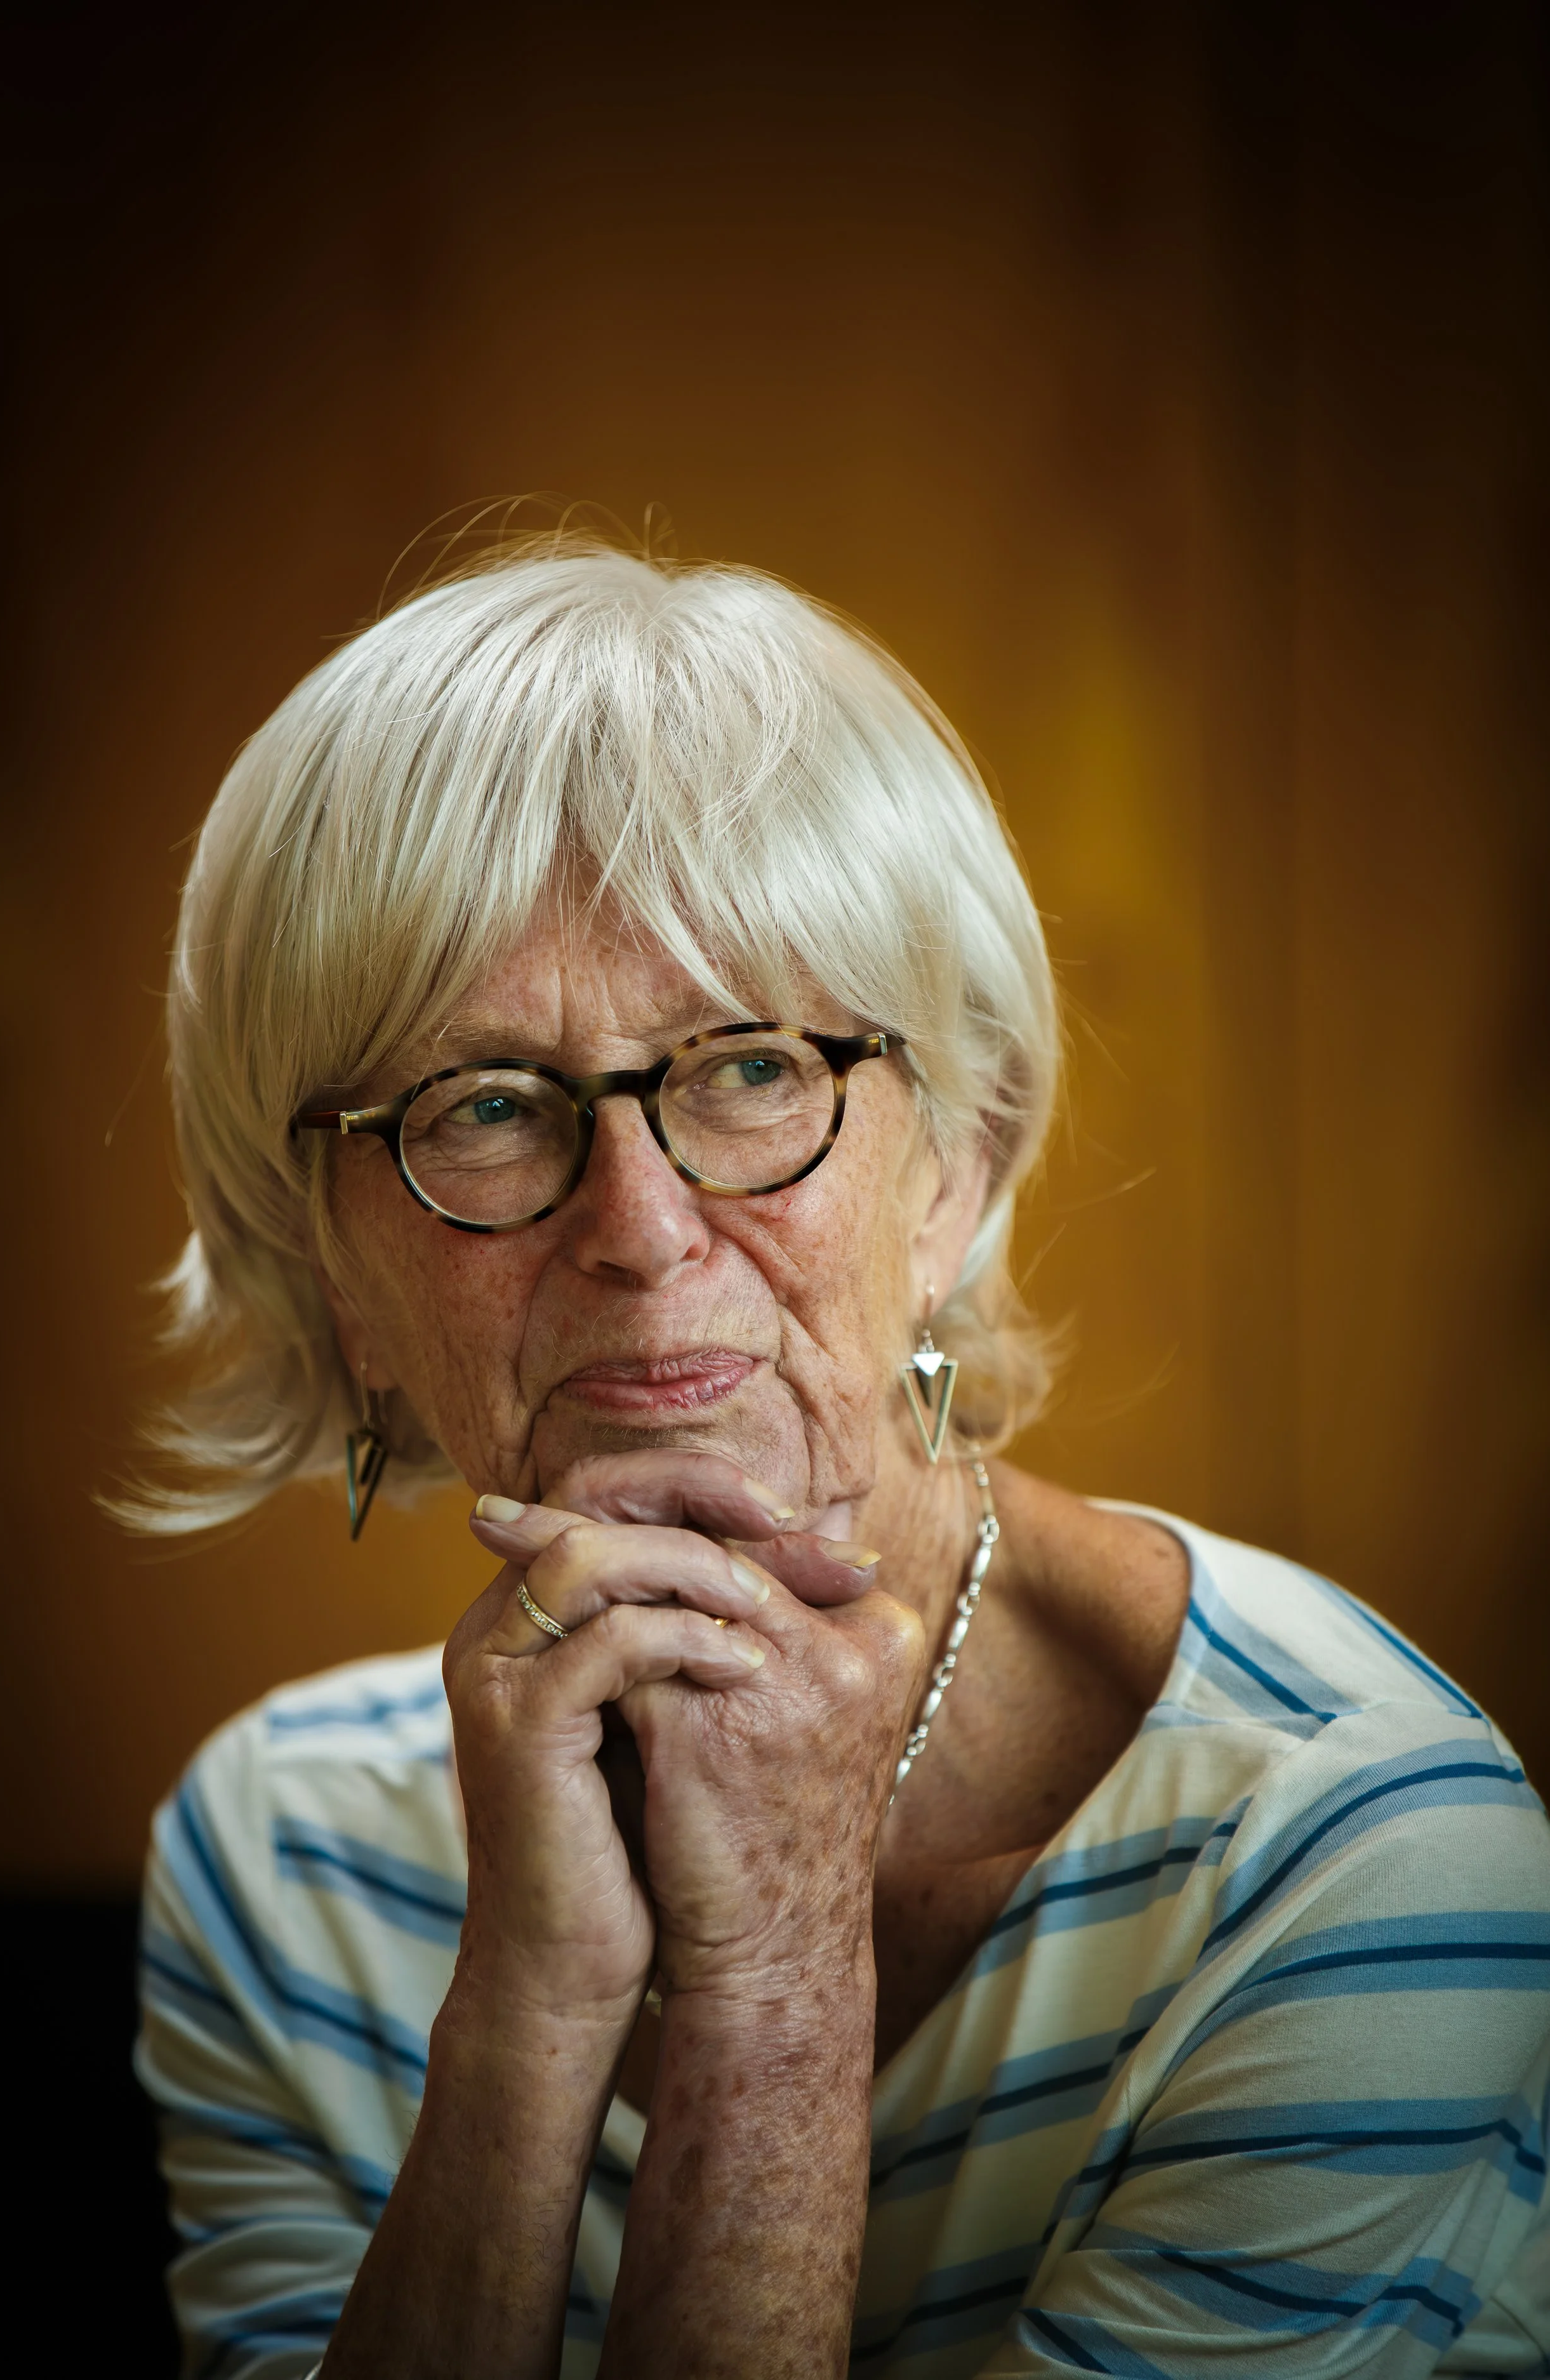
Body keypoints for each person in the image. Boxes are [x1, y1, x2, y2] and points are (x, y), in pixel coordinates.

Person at [132, 543, 1550, 2380]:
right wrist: (521, 2018)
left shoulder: (1363, 1849)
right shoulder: (280, 1856)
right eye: (480, 1108)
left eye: (747, 1069)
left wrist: (776, 1979)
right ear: (333, 1267)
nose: (639, 1231)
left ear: (955, 1161)